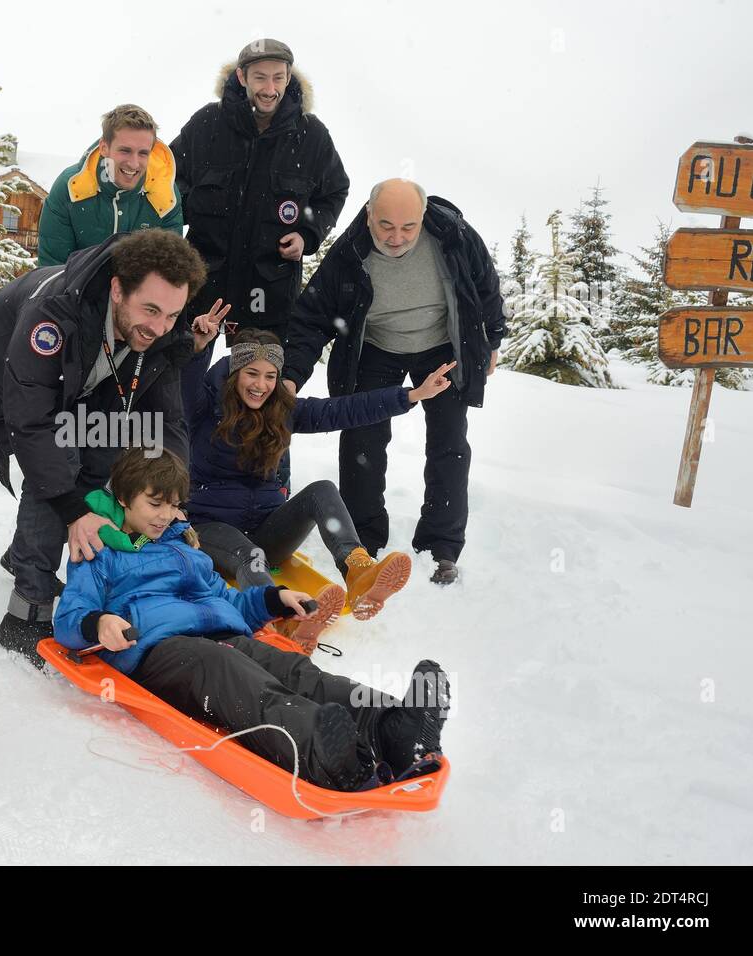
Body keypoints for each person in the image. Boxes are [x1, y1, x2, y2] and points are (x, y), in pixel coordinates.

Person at [54, 446, 450, 792]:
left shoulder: (183, 547)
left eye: (173, 505)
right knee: (236, 678)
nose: (165, 515)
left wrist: (274, 599)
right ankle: (328, 757)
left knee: (293, 670)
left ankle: (393, 729)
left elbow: (228, 600)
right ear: (124, 497)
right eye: (154, 504)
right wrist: (99, 623)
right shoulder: (98, 550)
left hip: (220, 634)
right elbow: (69, 618)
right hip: (159, 650)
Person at [0, 230, 227, 663]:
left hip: (79, 379)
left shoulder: (158, 324)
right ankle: (26, 612)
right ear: (117, 289)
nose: (161, 327)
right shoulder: (53, 314)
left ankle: (24, 553)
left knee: (103, 452)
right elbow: (32, 424)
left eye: (171, 315)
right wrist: (72, 509)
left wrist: (174, 500)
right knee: (58, 462)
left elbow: (167, 419)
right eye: (151, 310)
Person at [282, 180, 506, 585]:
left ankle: (441, 546)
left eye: (408, 227)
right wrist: (291, 376)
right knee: (361, 440)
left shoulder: (453, 235)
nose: (396, 237)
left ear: (422, 219)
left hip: (442, 345)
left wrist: (491, 339)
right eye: (385, 225)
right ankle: (361, 542)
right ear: (369, 215)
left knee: (449, 442)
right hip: (376, 346)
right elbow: (312, 317)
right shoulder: (350, 251)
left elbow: (485, 287)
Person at [182, 326, 456, 651]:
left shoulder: (282, 412)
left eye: (270, 376)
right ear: (233, 373)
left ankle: (358, 572)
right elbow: (184, 386)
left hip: (266, 530)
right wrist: (198, 349)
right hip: (210, 529)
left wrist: (412, 395)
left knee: (322, 490)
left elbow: (344, 410)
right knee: (250, 556)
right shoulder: (203, 406)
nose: (261, 385)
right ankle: (282, 619)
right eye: (251, 373)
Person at [170, 39, 349, 343]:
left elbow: (334, 192)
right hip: (201, 283)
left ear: (289, 77)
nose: (270, 88)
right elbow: (168, 182)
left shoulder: (312, 136)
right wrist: (187, 217)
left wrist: (308, 234)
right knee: (183, 378)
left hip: (269, 293)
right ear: (242, 77)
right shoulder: (206, 124)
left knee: (255, 384)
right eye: (260, 77)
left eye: (278, 77)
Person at [37, 104, 184, 268]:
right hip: (76, 291)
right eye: (125, 151)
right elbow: (52, 270)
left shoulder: (165, 196)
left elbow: (169, 274)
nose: (134, 163)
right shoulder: (70, 189)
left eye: (143, 153)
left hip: (139, 292)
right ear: (104, 148)